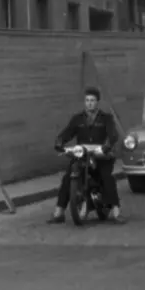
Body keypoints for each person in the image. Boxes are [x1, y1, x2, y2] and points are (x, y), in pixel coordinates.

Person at [47, 85, 123, 225]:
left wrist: (106, 147)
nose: (89, 103)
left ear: (97, 102)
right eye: (87, 100)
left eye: (92, 100)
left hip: (101, 156)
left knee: (107, 178)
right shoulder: (77, 119)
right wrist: (59, 142)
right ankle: (59, 212)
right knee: (67, 177)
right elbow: (67, 132)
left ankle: (116, 211)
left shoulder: (106, 118)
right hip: (82, 155)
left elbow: (113, 135)